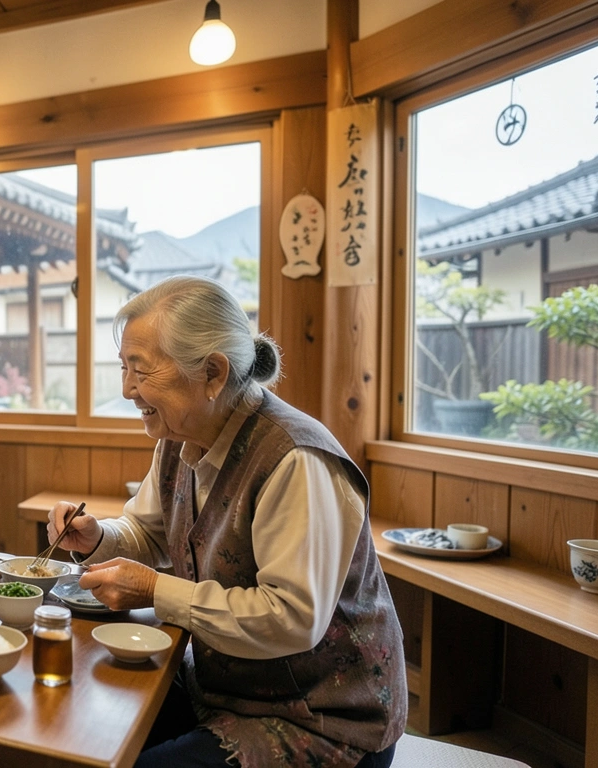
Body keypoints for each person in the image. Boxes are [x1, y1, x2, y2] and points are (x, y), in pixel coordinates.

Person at [47, 276, 406, 768]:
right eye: (123, 368)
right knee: (90, 736)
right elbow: (147, 533)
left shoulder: (295, 458)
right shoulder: (177, 437)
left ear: (213, 373)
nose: (128, 389)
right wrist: (97, 539)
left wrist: (155, 591)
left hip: (321, 716)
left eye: (141, 370)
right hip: (223, 689)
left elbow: (292, 617)